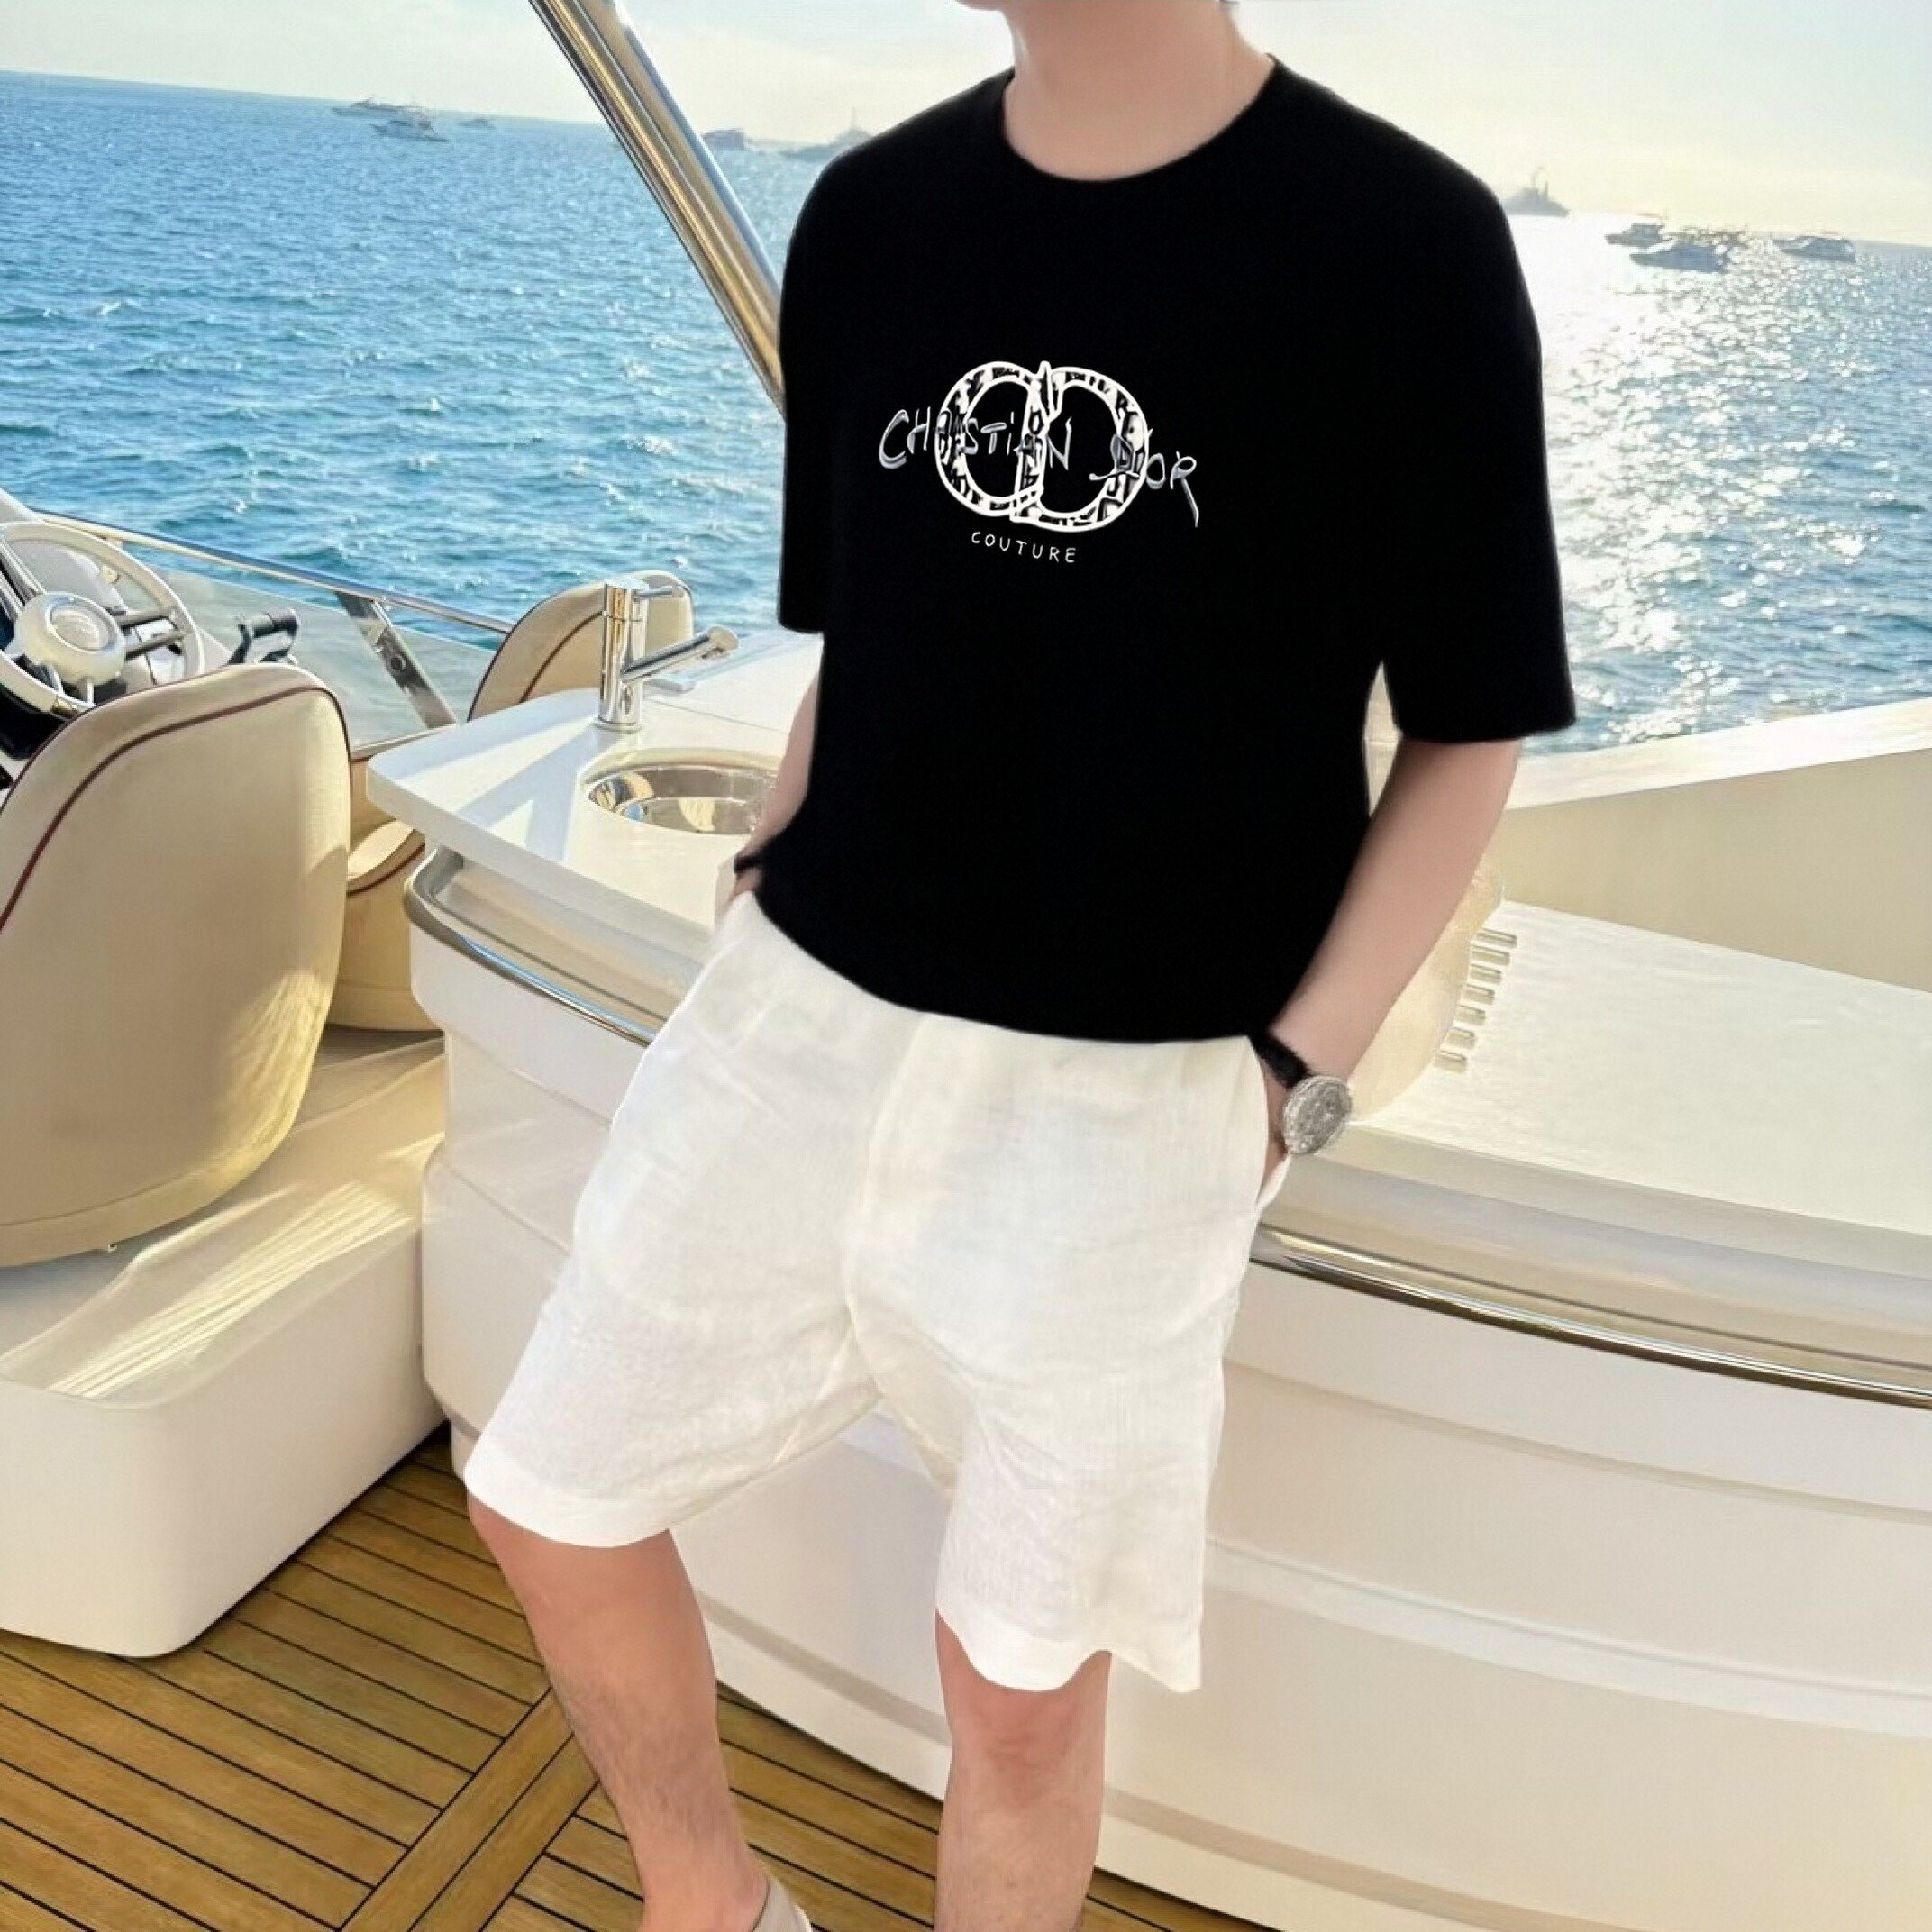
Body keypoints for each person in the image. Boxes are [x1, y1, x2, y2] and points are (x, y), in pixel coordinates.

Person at [466, 1, 1577, 1927]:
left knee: (1022, 1688)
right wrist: (768, 855)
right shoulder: (872, 216)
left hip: (1136, 1100)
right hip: (798, 1012)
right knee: (546, 1492)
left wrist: (1283, 1081)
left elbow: (1468, 732)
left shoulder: (1405, 243)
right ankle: (708, 1903)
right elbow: (867, 624)